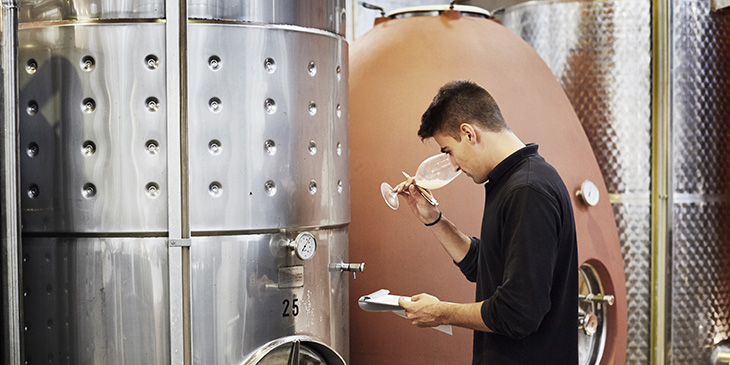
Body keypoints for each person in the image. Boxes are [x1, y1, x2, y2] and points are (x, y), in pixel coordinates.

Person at [394, 80, 578, 364]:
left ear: (468, 133)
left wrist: (440, 312)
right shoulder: (510, 182)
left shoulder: (528, 191)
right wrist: (433, 219)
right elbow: (485, 265)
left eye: (448, 151)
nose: (453, 164)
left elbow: (518, 313)